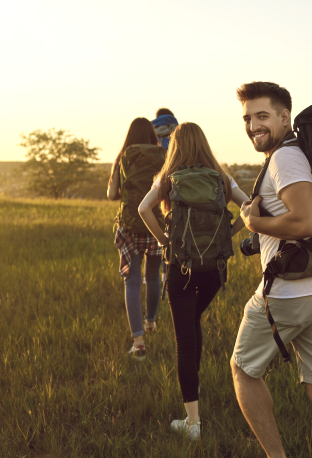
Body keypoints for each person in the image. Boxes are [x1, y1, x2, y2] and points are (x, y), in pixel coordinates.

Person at [230, 81, 312, 458]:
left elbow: (306, 223)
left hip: (291, 292)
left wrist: (254, 224)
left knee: (243, 370)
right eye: (247, 118)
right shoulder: (302, 153)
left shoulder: (286, 158)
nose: (252, 126)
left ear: (285, 117)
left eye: (262, 116)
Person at [138, 122, 249, 441]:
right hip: (214, 268)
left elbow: (143, 208)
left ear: (175, 147)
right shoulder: (220, 177)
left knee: (184, 338)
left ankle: (193, 423)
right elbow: (250, 205)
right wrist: (229, 233)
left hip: (180, 267)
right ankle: (194, 391)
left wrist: (163, 241)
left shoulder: (168, 177)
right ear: (204, 144)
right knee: (193, 321)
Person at [107, 118, 164, 359]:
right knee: (152, 278)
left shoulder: (123, 157)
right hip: (155, 224)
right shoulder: (163, 156)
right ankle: (151, 322)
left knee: (131, 282)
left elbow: (111, 195)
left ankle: (138, 342)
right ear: (152, 135)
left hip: (130, 225)